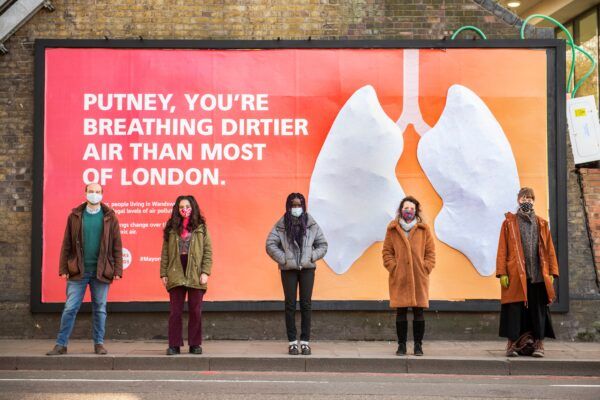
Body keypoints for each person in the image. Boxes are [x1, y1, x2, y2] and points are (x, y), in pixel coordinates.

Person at [47, 183, 123, 356]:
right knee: (70, 307)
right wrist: (63, 267)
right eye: (91, 191)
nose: (94, 194)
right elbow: (66, 243)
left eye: (97, 192)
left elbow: (117, 245)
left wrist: (118, 269)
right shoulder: (75, 216)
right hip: (78, 270)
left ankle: (99, 344)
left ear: (102, 194)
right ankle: (61, 344)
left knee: (100, 308)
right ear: (85, 193)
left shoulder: (110, 217)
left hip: (101, 271)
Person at [496, 187, 558, 358]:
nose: (527, 201)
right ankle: (511, 345)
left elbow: (549, 250)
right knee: (514, 310)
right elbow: (502, 249)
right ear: (518, 201)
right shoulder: (509, 223)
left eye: (530, 198)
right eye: (524, 198)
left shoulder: (542, 223)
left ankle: (539, 344)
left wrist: (552, 271)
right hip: (515, 274)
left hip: (538, 275)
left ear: (533, 201)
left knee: (538, 311)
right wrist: (502, 273)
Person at [266, 193, 328, 356]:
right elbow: (270, 243)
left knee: (306, 304)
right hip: (289, 270)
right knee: (290, 305)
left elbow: (323, 245)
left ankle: (305, 342)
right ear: (288, 206)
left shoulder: (311, 224)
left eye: (298, 205)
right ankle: (293, 342)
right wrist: (284, 259)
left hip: (307, 269)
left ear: (303, 206)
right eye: (293, 205)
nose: (296, 208)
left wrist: (311, 257)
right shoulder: (281, 225)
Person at [382, 196, 435, 356]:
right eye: (406, 208)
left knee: (419, 312)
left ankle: (418, 346)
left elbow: (431, 252)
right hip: (400, 277)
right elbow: (387, 252)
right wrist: (394, 267)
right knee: (401, 312)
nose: (409, 211)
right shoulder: (392, 229)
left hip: (419, 277)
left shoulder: (423, 229)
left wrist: (426, 267)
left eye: (412, 209)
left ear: (416, 211)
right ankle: (401, 346)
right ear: (401, 210)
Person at [160, 195, 212, 356]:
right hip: (176, 271)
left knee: (195, 310)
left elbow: (208, 252)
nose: (184, 210)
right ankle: (174, 345)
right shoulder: (171, 228)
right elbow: (165, 253)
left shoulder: (201, 227)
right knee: (175, 311)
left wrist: (205, 272)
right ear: (177, 209)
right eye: (181, 207)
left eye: (187, 206)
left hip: (195, 272)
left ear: (193, 207)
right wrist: (163, 273)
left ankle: (195, 344)